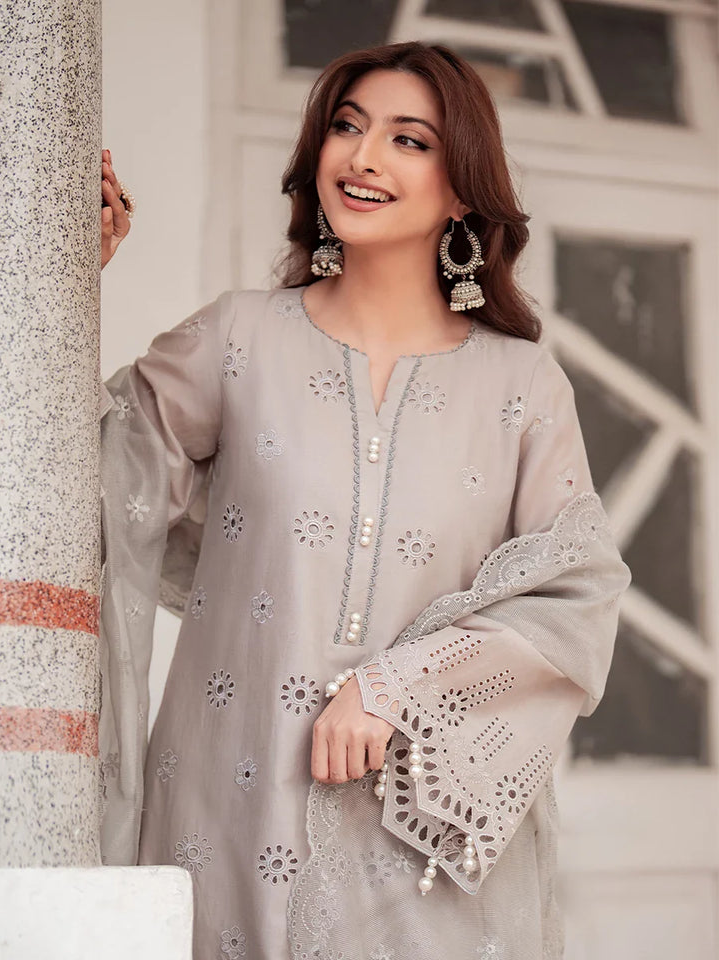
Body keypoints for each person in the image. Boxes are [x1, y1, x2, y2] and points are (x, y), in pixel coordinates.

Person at [99, 41, 631, 960]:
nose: (363, 156)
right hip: (228, 812)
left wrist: (395, 689)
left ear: (462, 188)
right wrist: (63, 280)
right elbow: (84, 490)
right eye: (347, 127)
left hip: (415, 857)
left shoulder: (522, 386)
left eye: (408, 139)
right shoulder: (236, 339)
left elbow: (575, 599)